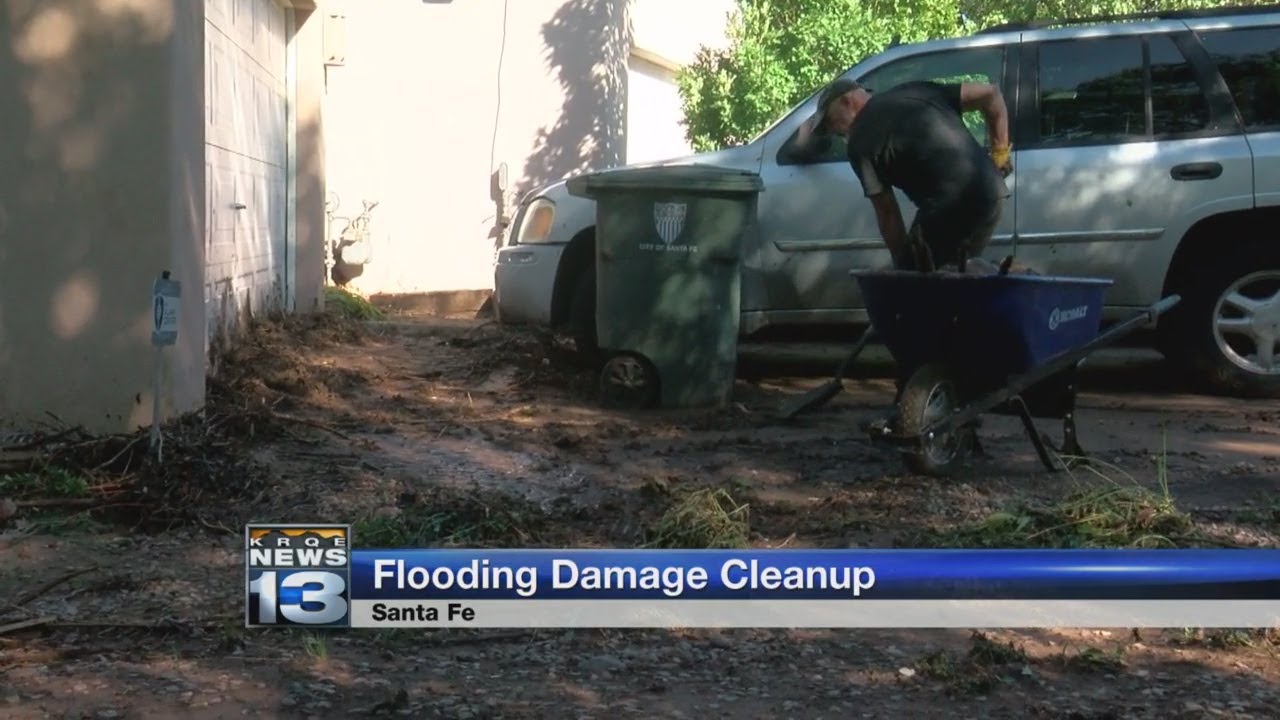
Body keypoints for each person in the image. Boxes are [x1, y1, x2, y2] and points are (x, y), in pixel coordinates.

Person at [789, 76, 1013, 273]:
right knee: (956, 277)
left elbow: (887, 214)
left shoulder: (859, 142)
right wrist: (1000, 153)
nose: (835, 131)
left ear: (848, 102)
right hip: (991, 192)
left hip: (950, 206)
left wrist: (902, 268)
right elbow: (991, 94)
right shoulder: (914, 91)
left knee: (916, 283)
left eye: (830, 122)